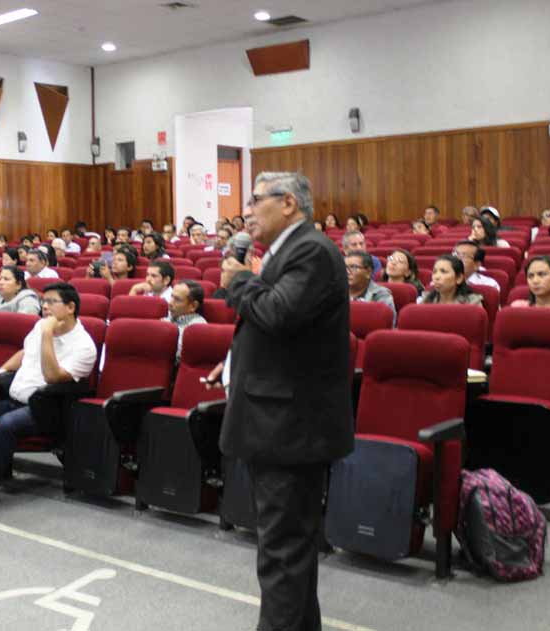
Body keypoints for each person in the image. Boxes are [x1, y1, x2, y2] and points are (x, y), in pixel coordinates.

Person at [214, 171, 352, 631]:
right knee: (289, 551)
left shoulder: (310, 251)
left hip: (290, 427)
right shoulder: (289, 251)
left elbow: (276, 313)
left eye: (255, 201)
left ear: (288, 203)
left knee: (281, 554)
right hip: (278, 421)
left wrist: (237, 282)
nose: (247, 211)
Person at [0, 283, 97, 512]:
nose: (45, 307)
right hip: (14, 400)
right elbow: (25, 353)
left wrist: (47, 334)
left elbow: (53, 377)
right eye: (44, 301)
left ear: (71, 307)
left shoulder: (83, 346)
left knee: (6, 425)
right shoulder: (38, 328)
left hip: (46, 411)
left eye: (52, 302)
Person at [345, 251, 396, 323]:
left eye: (354, 267)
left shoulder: (381, 295)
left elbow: (387, 324)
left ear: (368, 272)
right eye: (344, 267)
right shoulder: (336, 293)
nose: (347, 272)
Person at [164, 280, 206, 360]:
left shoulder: (198, 327)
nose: (170, 303)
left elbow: (178, 355)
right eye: (171, 297)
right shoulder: (165, 319)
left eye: (177, 299)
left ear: (193, 306)